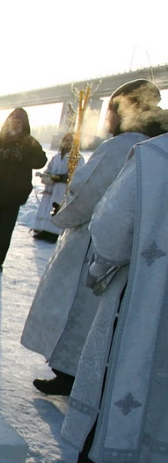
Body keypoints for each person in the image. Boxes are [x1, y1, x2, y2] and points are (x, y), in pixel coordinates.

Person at [21, 80, 164, 396]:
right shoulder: (156, 147)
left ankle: (69, 372)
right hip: (135, 249)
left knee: (79, 310)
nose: (107, 118)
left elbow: (87, 194)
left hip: (94, 244)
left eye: (111, 109)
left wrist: (65, 207)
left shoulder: (120, 146)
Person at [60, 130, 168, 463]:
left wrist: (100, 267)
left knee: (136, 374)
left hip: (150, 303)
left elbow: (111, 227)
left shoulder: (155, 157)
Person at [0, 108, 47, 271]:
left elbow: (41, 160)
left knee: (5, 231)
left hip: (13, 195)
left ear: (24, 124)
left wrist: (22, 157)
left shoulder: (30, 142)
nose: (15, 124)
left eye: (19, 122)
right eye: (12, 120)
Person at [31, 132, 82, 242]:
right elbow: (49, 168)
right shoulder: (56, 157)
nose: (68, 143)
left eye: (70, 140)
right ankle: (42, 230)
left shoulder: (77, 157)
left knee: (57, 209)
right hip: (51, 188)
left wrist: (61, 178)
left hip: (63, 189)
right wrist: (46, 175)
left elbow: (79, 173)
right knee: (46, 208)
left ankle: (53, 233)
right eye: (66, 140)